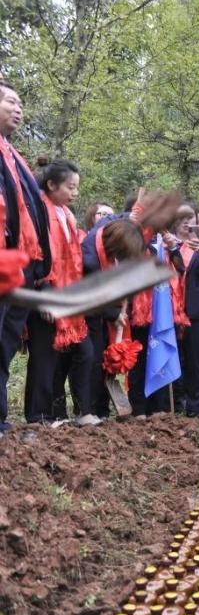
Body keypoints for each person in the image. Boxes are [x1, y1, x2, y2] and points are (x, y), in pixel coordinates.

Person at [25, 159, 99, 427]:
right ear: (52, 185)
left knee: (85, 352)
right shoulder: (38, 211)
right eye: (70, 187)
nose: (75, 193)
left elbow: (73, 259)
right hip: (45, 292)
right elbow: (36, 253)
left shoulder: (66, 214)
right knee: (44, 357)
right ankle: (38, 415)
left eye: (77, 187)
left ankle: (83, 411)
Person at [0, 81, 52, 427]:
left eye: (21, 104)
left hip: (21, 267)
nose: (19, 109)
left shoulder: (12, 154)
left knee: (4, 346)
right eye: (10, 102)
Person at [167, 208, 199, 417]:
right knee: (175, 357)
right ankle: (176, 403)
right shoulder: (166, 245)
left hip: (196, 311)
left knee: (196, 360)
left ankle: (196, 407)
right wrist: (171, 249)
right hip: (170, 310)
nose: (188, 223)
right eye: (183, 220)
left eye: (192, 220)